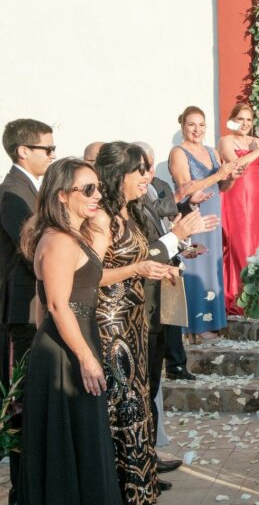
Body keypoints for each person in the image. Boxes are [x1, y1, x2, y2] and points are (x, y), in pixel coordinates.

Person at [17, 157, 122, 504]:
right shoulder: (60, 241)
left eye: (98, 188)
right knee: (72, 440)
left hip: (70, 341)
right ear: (62, 194)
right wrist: (85, 358)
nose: (97, 195)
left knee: (81, 437)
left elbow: (47, 303)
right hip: (67, 350)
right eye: (88, 189)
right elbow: (57, 305)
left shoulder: (71, 236)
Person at [94, 142, 178, 503]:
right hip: (112, 325)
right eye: (139, 170)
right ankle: (119, 490)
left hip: (135, 320)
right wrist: (138, 268)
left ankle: (139, 490)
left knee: (138, 402)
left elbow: (135, 260)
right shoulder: (101, 218)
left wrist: (160, 269)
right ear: (118, 175)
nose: (147, 176)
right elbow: (90, 275)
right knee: (121, 406)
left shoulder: (129, 212)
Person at [134, 141, 218, 475]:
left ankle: (148, 456)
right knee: (142, 387)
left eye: (150, 167)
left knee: (151, 385)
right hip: (140, 306)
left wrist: (181, 243)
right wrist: (178, 236)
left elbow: (160, 239)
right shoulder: (126, 207)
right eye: (142, 169)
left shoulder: (151, 194)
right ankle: (141, 460)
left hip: (159, 300)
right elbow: (143, 253)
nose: (148, 175)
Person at [0, 118, 55, 504]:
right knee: (23, 397)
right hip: (25, 307)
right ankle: (22, 488)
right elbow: (31, 248)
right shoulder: (12, 193)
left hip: (34, 304)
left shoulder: (29, 188)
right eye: (47, 149)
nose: (52, 155)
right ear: (23, 151)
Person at [168, 106, 236, 342]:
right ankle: (194, 326)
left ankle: (212, 320)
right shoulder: (178, 153)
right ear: (183, 126)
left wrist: (231, 178)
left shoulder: (211, 151)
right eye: (191, 124)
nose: (197, 130)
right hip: (193, 215)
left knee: (211, 266)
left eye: (201, 125)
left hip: (213, 214)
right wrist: (219, 175)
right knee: (195, 264)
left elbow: (221, 187)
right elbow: (186, 188)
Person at [218, 102, 259, 315]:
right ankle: (239, 296)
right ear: (232, 120)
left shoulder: (257, 141)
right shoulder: (226, 141)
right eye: (240, 119)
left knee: (255, 245)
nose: (245, 123)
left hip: (255, 196)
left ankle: (257, 296)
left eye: (248, 119)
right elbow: (237, 165)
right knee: (240, 243)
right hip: (235, 195)